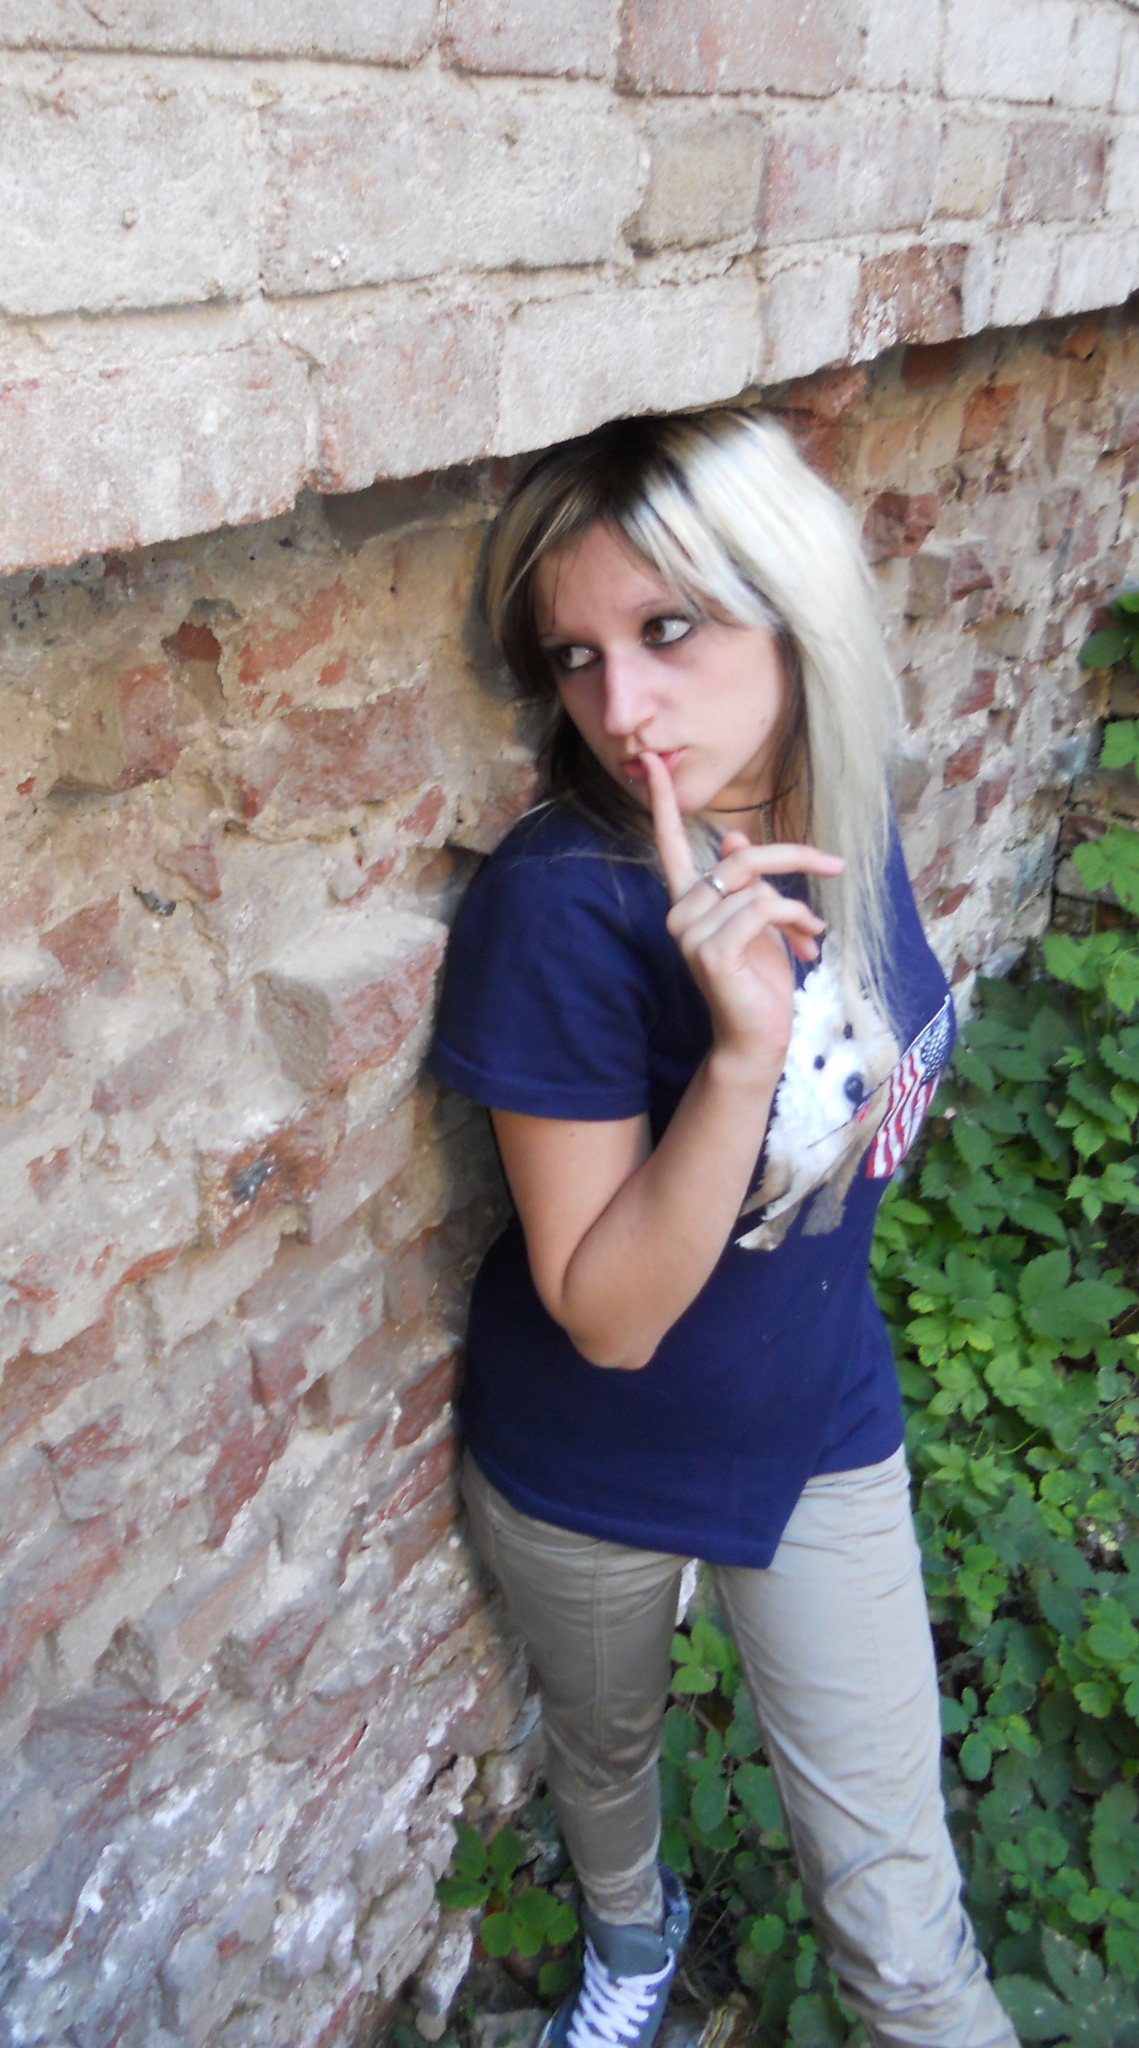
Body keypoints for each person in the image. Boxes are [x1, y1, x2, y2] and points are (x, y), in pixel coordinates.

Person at [427, 411, 1018, 2048]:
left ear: (795, 609)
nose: (623, 709)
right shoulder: (564, 904)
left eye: (669, 629)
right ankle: (632, 1940)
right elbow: (607, 1316)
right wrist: (740, 1058)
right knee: (605, 1753)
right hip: (593, 1458)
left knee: (906, 1938)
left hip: (819, 1415)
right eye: (578, 658)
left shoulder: (837, 808)